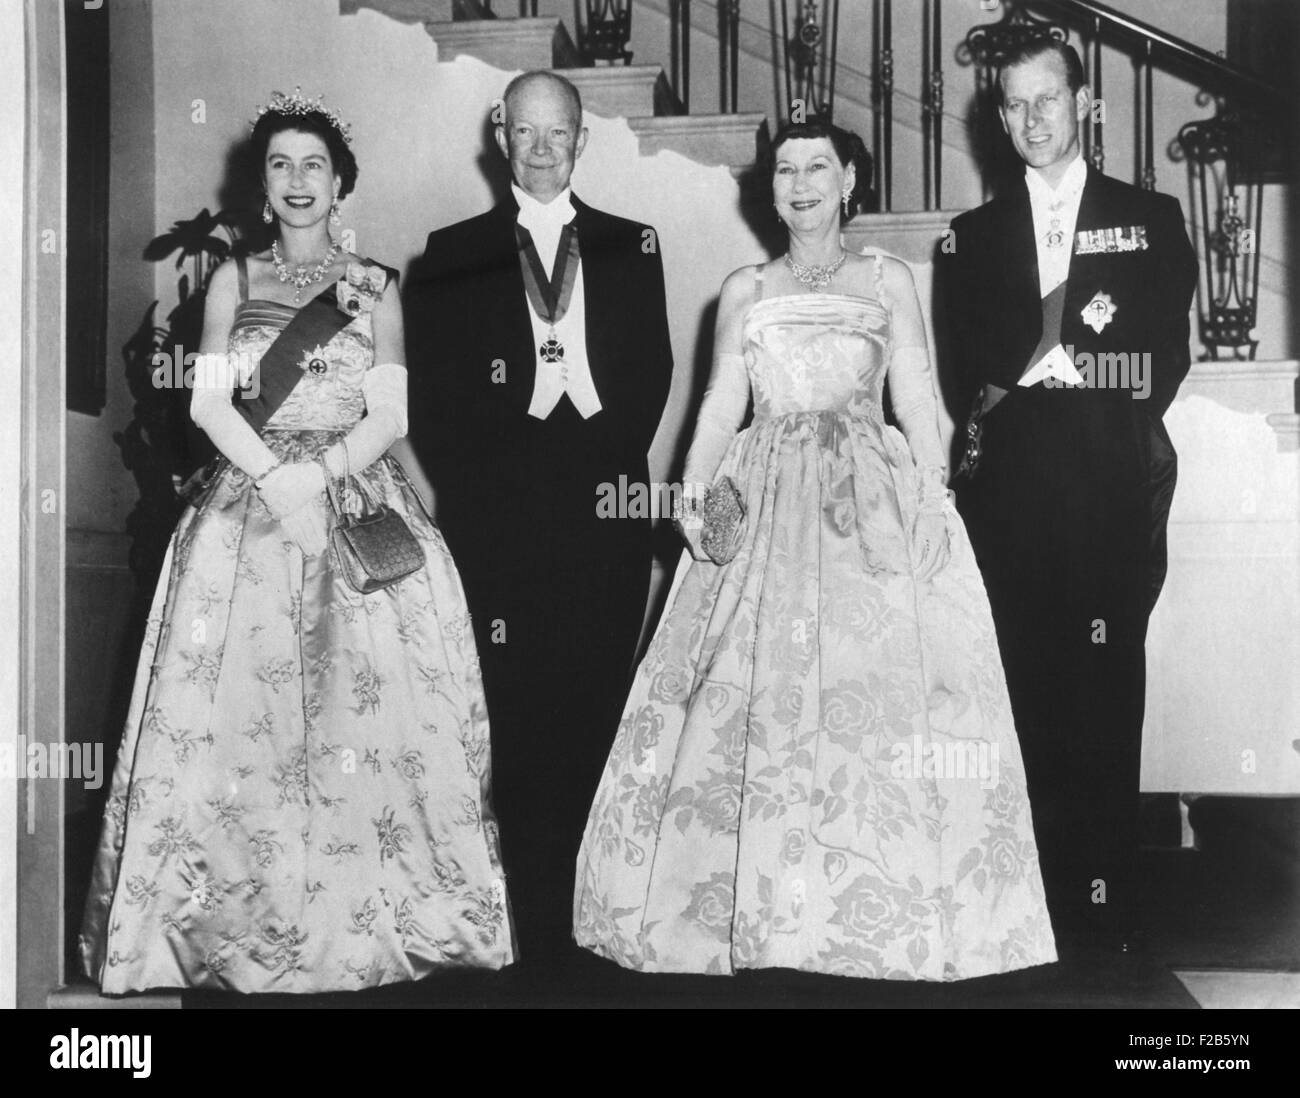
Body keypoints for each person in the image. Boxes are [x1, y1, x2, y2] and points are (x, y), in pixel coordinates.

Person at [573, 119, 1056, 980]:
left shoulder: (887, 277)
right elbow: (722, 402)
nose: (799, 184)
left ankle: (879, 909)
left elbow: (914, 389)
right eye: (785, 170)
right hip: (764, 499)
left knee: (876, 692)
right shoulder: (745, 287)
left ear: (849, 181)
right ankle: (757, 909)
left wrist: (933, 491)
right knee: (750, 695)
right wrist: (691, 490)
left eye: (817, 168)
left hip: (868, 498)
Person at [80, 90, 514, 994]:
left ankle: (371, 918)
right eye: (280, 165)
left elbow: (391, 412)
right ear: (263, 187)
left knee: (374, 712)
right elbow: (206, 402)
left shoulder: (376, 286)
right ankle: (229, 926)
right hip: (247, 508)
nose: (297, 180)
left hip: (355, 496)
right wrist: (276, 477)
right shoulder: (234, 280)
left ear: (339, 182)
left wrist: (318, 475)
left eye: (312, 163)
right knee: (240, 721)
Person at [405, 71, 672, 973]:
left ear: (582, 137)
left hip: (604, 504)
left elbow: (652, 374)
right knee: (511, 705)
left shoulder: (633, 243)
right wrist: (503, 469)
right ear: (500, 135)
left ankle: (590, 914)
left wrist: (596, 450)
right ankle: (520, 920)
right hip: (500, 514)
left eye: (559, 133)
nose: (544, 148)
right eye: (527, 133)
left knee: (597, 694)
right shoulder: (449, 253)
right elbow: (435, 406)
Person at [938, 39, 1197, 950]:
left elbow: (1165, 356)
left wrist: (1075, 377)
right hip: (1012, 496)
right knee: (1021, 689)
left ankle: (1105, 902)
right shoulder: (971, 237)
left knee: (1105, 682)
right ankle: (1028, 903)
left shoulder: (1152, 216)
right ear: (998, 117)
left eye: (1048, 99)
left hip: (1110, 483)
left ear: (1083, 102)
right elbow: (965, 370)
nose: (1032, 120)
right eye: (1013, 106)